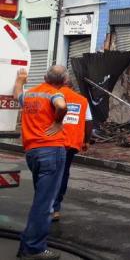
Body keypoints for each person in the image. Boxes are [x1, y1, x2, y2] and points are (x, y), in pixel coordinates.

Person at [13, 66, 68, 260]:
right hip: (51, 150)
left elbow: (17, 95)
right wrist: (58, 122)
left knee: (41, 200)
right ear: (64, 81)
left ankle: (28, 245)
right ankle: (33, 249)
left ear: (45, 77)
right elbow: (61, 106)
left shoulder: (32, 93)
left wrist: (20, 80)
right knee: (45, 204)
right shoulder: (54, 94)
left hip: (32, 152)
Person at [51, 79, 93, 221]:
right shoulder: (82, 100)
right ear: (72, 87)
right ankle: (56, 207)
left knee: (49, 172)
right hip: (71, 143)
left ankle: (47, 204)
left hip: (52, 141)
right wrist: (86, 141)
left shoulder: (53, 95)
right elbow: (88, 122)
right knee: (63, 173)